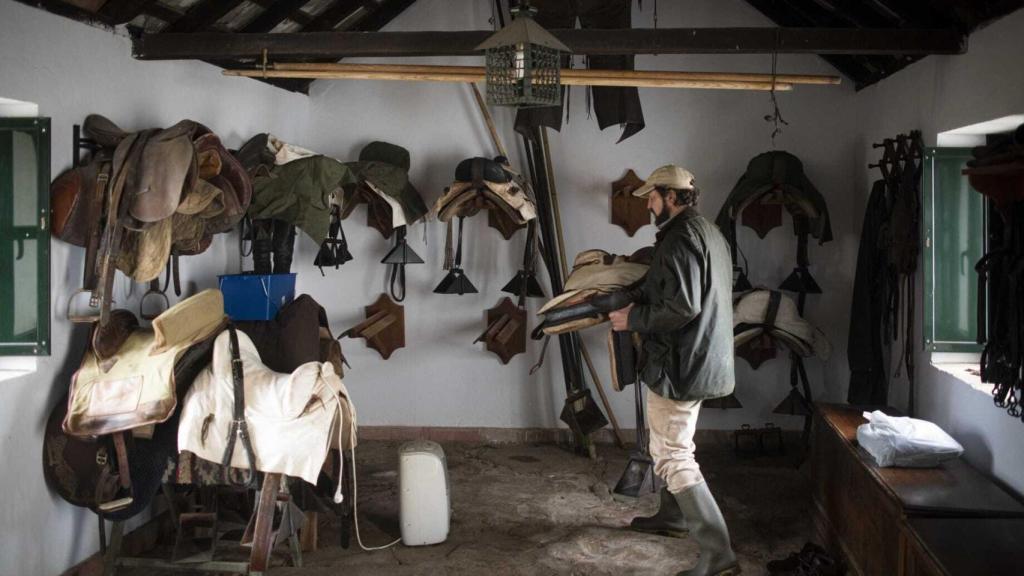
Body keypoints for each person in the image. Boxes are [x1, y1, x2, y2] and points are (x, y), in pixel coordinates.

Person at [608, 165, 740, 576]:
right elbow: (685, 290)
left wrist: (634, 319)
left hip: (680, 362)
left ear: (670, 196)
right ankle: (674, 518)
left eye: (652, 197)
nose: (647, 204)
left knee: (673, 455)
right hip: (701, 356)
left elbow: (683, 306)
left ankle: (718, 555)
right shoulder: (708, 231)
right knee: (670, 444)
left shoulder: (680, 237)